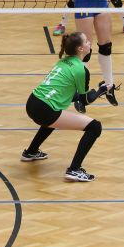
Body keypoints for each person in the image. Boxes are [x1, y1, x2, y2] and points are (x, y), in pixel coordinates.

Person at [21, 31, 109, 182]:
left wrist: (96, 91)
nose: (89, 43)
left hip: (32, 102)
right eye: (86, 41)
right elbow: (85, 100)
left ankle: (31, 152)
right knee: (95, 127)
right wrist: (101, 90)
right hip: (45, 110)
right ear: (80, 49)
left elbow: (69, 95)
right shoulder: (81, 70)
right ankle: (74, 170)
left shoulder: (63, 61)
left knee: (54, 118)